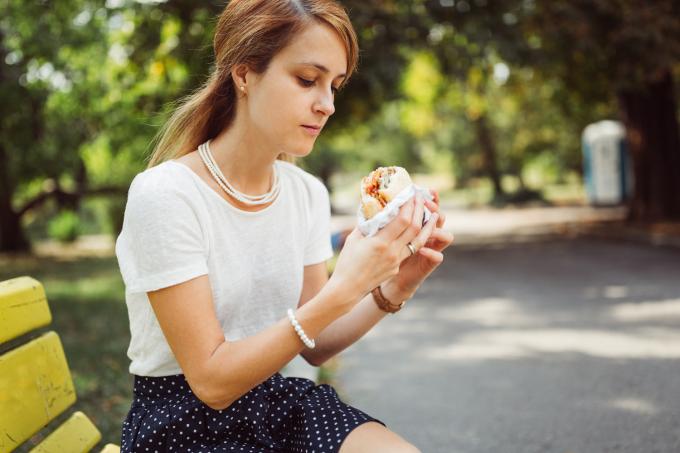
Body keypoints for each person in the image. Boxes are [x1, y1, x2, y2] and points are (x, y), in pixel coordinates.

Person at [114, 0, 454, 451]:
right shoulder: (166, 195)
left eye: (334, 86)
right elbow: (212, 383)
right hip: (183, 421)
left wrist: (394, 287)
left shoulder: (304, 193)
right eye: (307, 80)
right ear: (243, 74)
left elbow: (314, 343)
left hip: (276, 402)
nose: (327, 104)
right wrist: (345, 289)